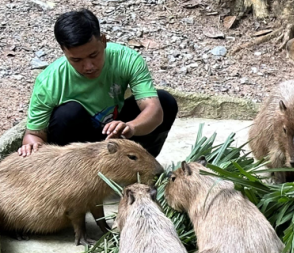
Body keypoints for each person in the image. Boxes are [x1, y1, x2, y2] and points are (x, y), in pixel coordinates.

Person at [17, 9, 177, 158]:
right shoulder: (49, 81)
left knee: (165, 101)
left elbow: (153, 110)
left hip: (116, 133)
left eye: (94, 55)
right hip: (78, 147)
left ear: (103, 41)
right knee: (67, 113)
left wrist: (131, 127)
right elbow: (34, 135)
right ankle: (76, 179)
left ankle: (140, 169)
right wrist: (32, 147)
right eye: (76, 60)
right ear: (63, 51)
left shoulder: (127, 59)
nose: (88, 66)